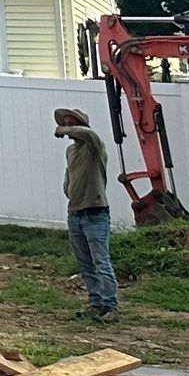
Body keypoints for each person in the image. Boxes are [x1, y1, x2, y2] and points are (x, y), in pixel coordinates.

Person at [53, 107, 119, 321]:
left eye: (71, 122)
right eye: (65, 121)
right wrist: (69, 189)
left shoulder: (93, 144)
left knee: (101, 261)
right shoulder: (71, 151)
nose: (67, 125)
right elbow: (69, 175)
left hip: (95, 212)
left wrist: (63, 129)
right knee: (86, 263)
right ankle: (95, 301)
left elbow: (88, 134)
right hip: (75, 214)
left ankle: (110, 306)